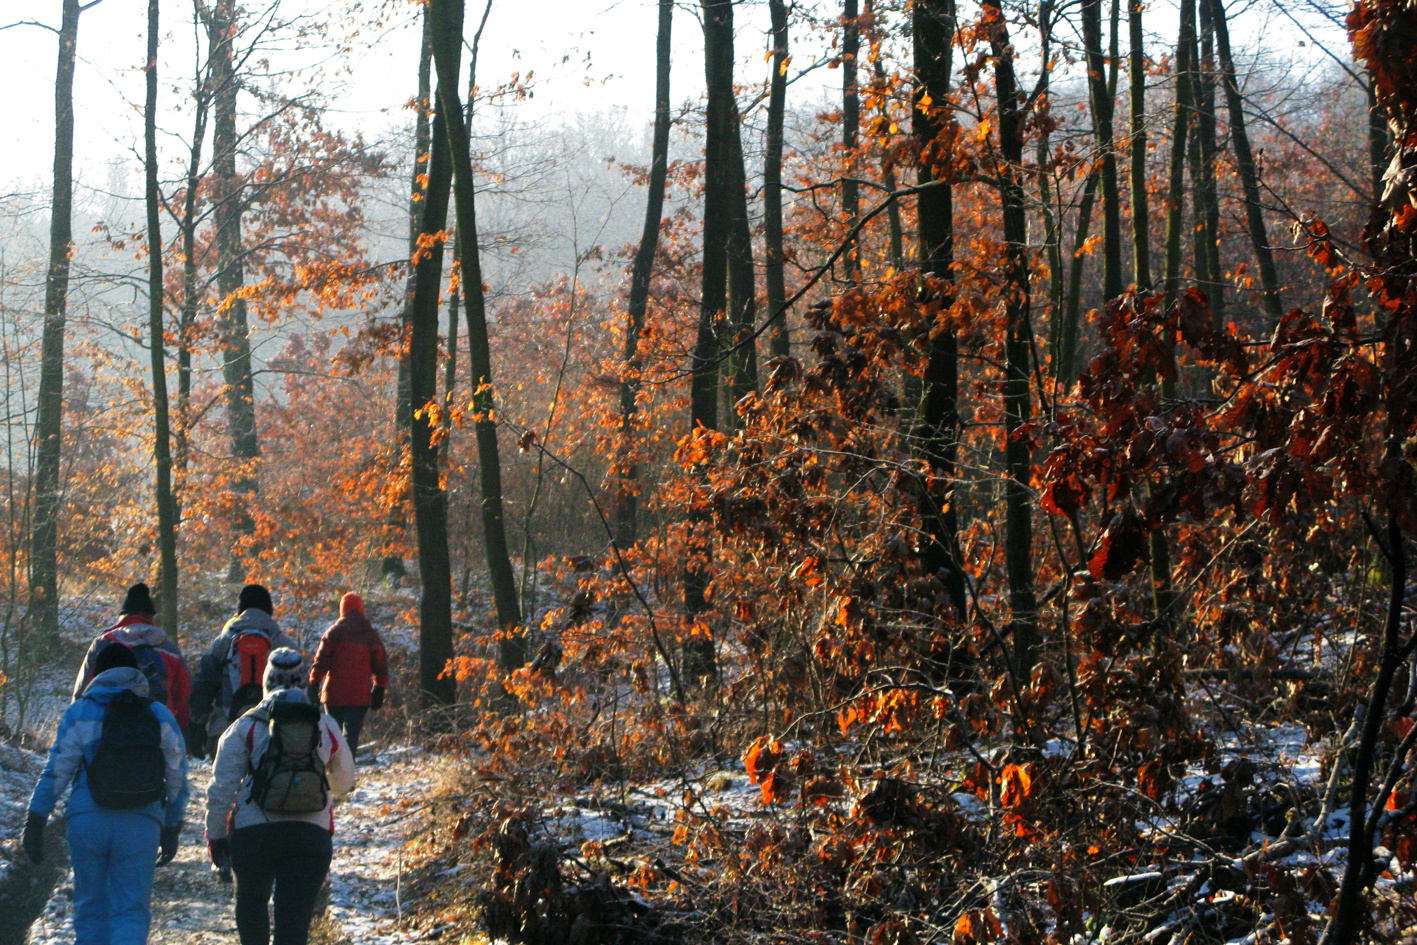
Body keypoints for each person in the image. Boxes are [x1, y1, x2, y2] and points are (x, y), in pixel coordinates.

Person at [24, 643, 190, 945]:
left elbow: (56, 772)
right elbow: (177, 773)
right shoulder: (158, 714)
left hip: (88, 820)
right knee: (130, 910)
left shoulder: (80, 712)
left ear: (96, 675)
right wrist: (172, 824)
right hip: (141, 821)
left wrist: (36, 820)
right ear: (137, 674)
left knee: (90, 907)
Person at [206, 648, 354, 945]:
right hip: (311, 835)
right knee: (294, 922)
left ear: (266, 683)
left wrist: (217, 837)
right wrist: (314, 789)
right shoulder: (325, 725)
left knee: (251, 903)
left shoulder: (244, 726)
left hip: (253, 834)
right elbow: (345, 780)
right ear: (303, 684)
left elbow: (222, 789)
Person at [189, 583, 299, 758]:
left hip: (227, 729)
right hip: (275, 730)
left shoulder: (222, 642)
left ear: (239, 610)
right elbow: (302, 689)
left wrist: (197, 724)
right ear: (269, 610)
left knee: (226, 781)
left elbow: (203, 684)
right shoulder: (284, 645)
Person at [73, 581, 193, 731]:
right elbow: (185, 698)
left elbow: (82, 692)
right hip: (158, 731)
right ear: (151, 617)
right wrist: (183, 734)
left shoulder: (103, 644)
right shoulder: (169, 649)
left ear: (122, 617)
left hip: (107, 731)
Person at [308, 592, 389, 758]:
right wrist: (379, 687)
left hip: (333, 696)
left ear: (342, 610)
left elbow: (321, 661)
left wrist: (314, 682)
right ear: (361, 610)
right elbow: (381, 663)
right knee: (350, 737)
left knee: (332, 737)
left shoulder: (333, 633)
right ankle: (347, 777)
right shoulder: (370, 635)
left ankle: (331, 777)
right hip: (359, 697)